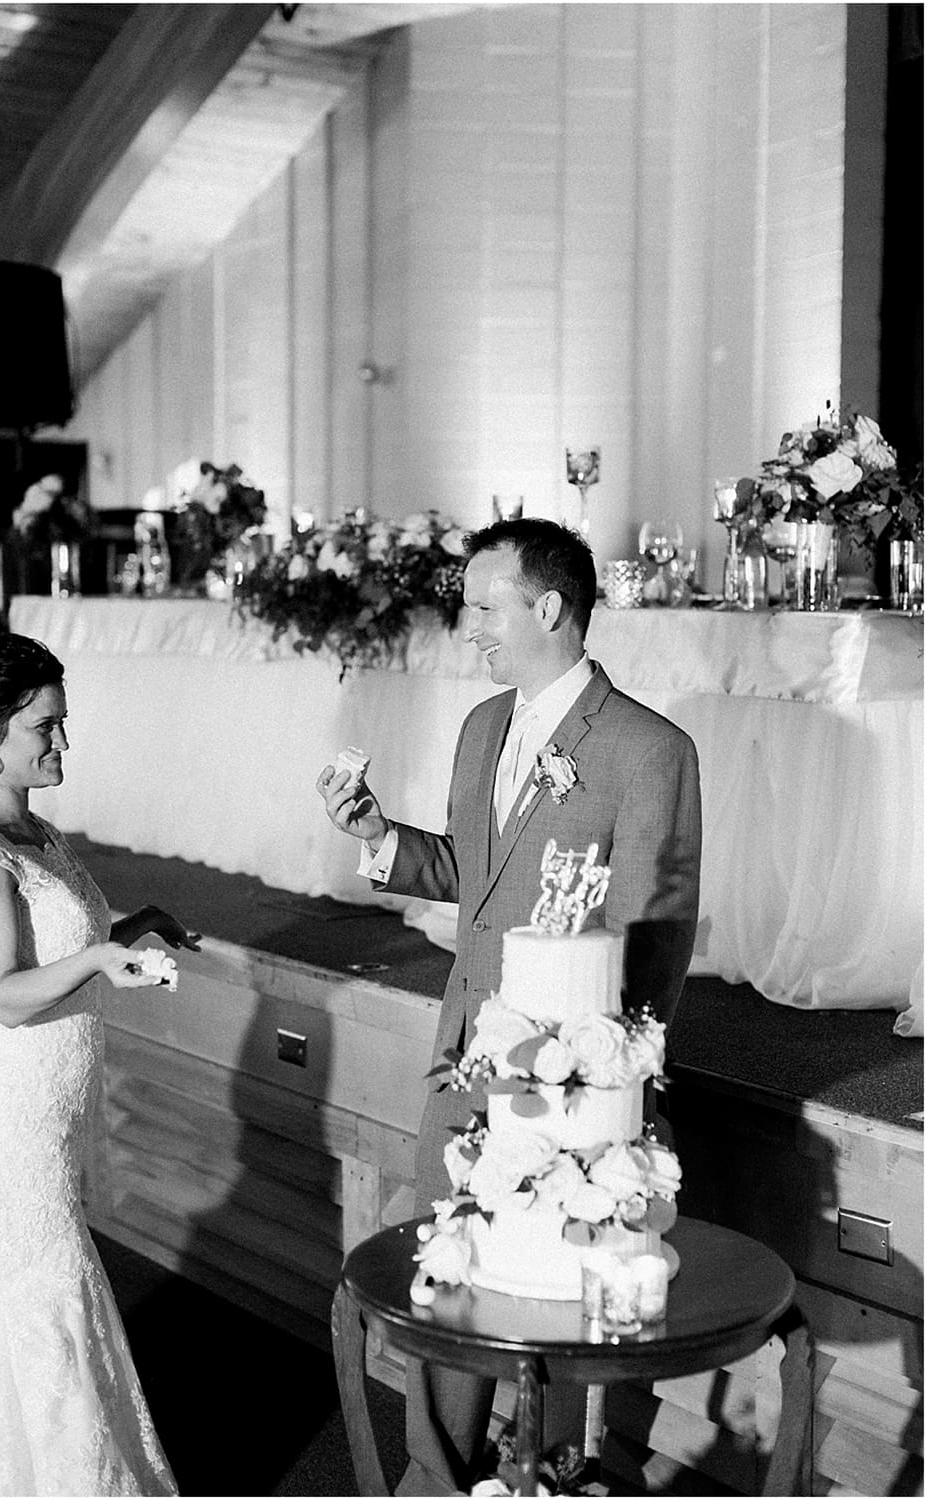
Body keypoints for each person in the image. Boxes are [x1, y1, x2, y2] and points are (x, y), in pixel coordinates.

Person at [318, 516, 701, 1492]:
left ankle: (540, 1475)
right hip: (459, 1054)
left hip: (566, 1079)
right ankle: (433, 1478)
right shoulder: (482, 724)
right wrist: (379, 838)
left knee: (540, 1293)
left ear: (547, 607)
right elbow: (468, 873)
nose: (466, 626)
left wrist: (598, 1075)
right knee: (447, 1276)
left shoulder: (647, 750)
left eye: (482, 606)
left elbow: (652, 929)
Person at [0, 632, 194, 1496]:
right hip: (7, 1122)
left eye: (64, 725)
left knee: (52, 1304)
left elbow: (58, 943)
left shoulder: (32, 828)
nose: (62, 744)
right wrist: (93, 963)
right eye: (46, 727)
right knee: (41, 1308)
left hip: (51, 1110)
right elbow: (6, 992)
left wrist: (129, 928)